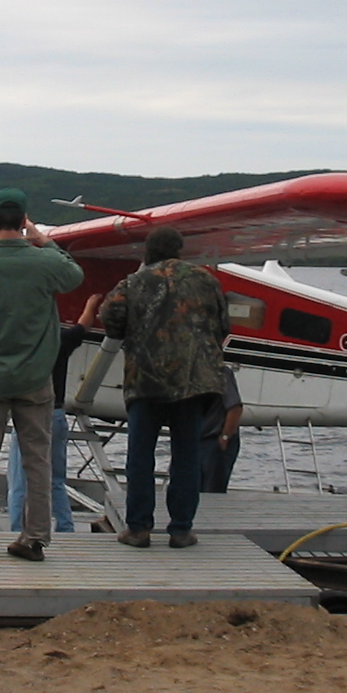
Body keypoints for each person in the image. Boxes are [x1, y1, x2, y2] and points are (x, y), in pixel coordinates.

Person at [0, 188, 84, 561]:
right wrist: (45, 240)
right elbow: (74, 275)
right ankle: (35, 537)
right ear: (24, 221)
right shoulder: (45, 262)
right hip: (36, 379)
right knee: (38, 460)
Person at [99, 226, 228, 549]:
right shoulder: (206, 280)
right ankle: (181, 530)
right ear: (179, 250)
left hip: (147, 382)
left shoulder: (134, 282)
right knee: (186, 455)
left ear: (148, 251)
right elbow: (224, 325)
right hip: (194, 383)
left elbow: (110, 318)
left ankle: (139, 528)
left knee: (140, 456)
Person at [7, 292, 102, 533]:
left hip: (28, 414)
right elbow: (83, 325)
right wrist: (91, 302)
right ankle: (65, 527)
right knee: (56, 479)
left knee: (20, 480)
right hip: (57, 414)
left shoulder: (22, 344)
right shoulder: (60, 340)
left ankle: (17, 529)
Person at [199, 366, 243, 494]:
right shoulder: (191, 373)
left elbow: (235, 408)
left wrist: (224, 438)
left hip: (214, 442)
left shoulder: (222, 373)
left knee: (211, 492)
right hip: (196, 441)